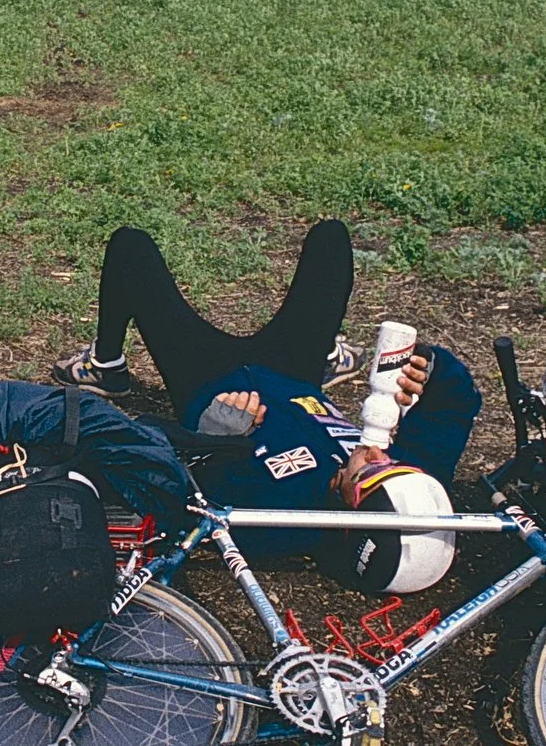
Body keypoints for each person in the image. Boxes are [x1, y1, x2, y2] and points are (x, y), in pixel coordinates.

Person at [53, 222, 480, 591]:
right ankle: (329, 355)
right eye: (393, 463)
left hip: (206, 376)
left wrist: (210, 435)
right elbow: (455, 409)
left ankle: (106, 365)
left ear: (351, 516)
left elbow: (179, 492)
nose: (377, 456)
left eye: (368, 473)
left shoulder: (278, 525)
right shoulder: (412, 492)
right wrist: (432, 369)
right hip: (296, 375)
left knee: (131, 248)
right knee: (331, 239)